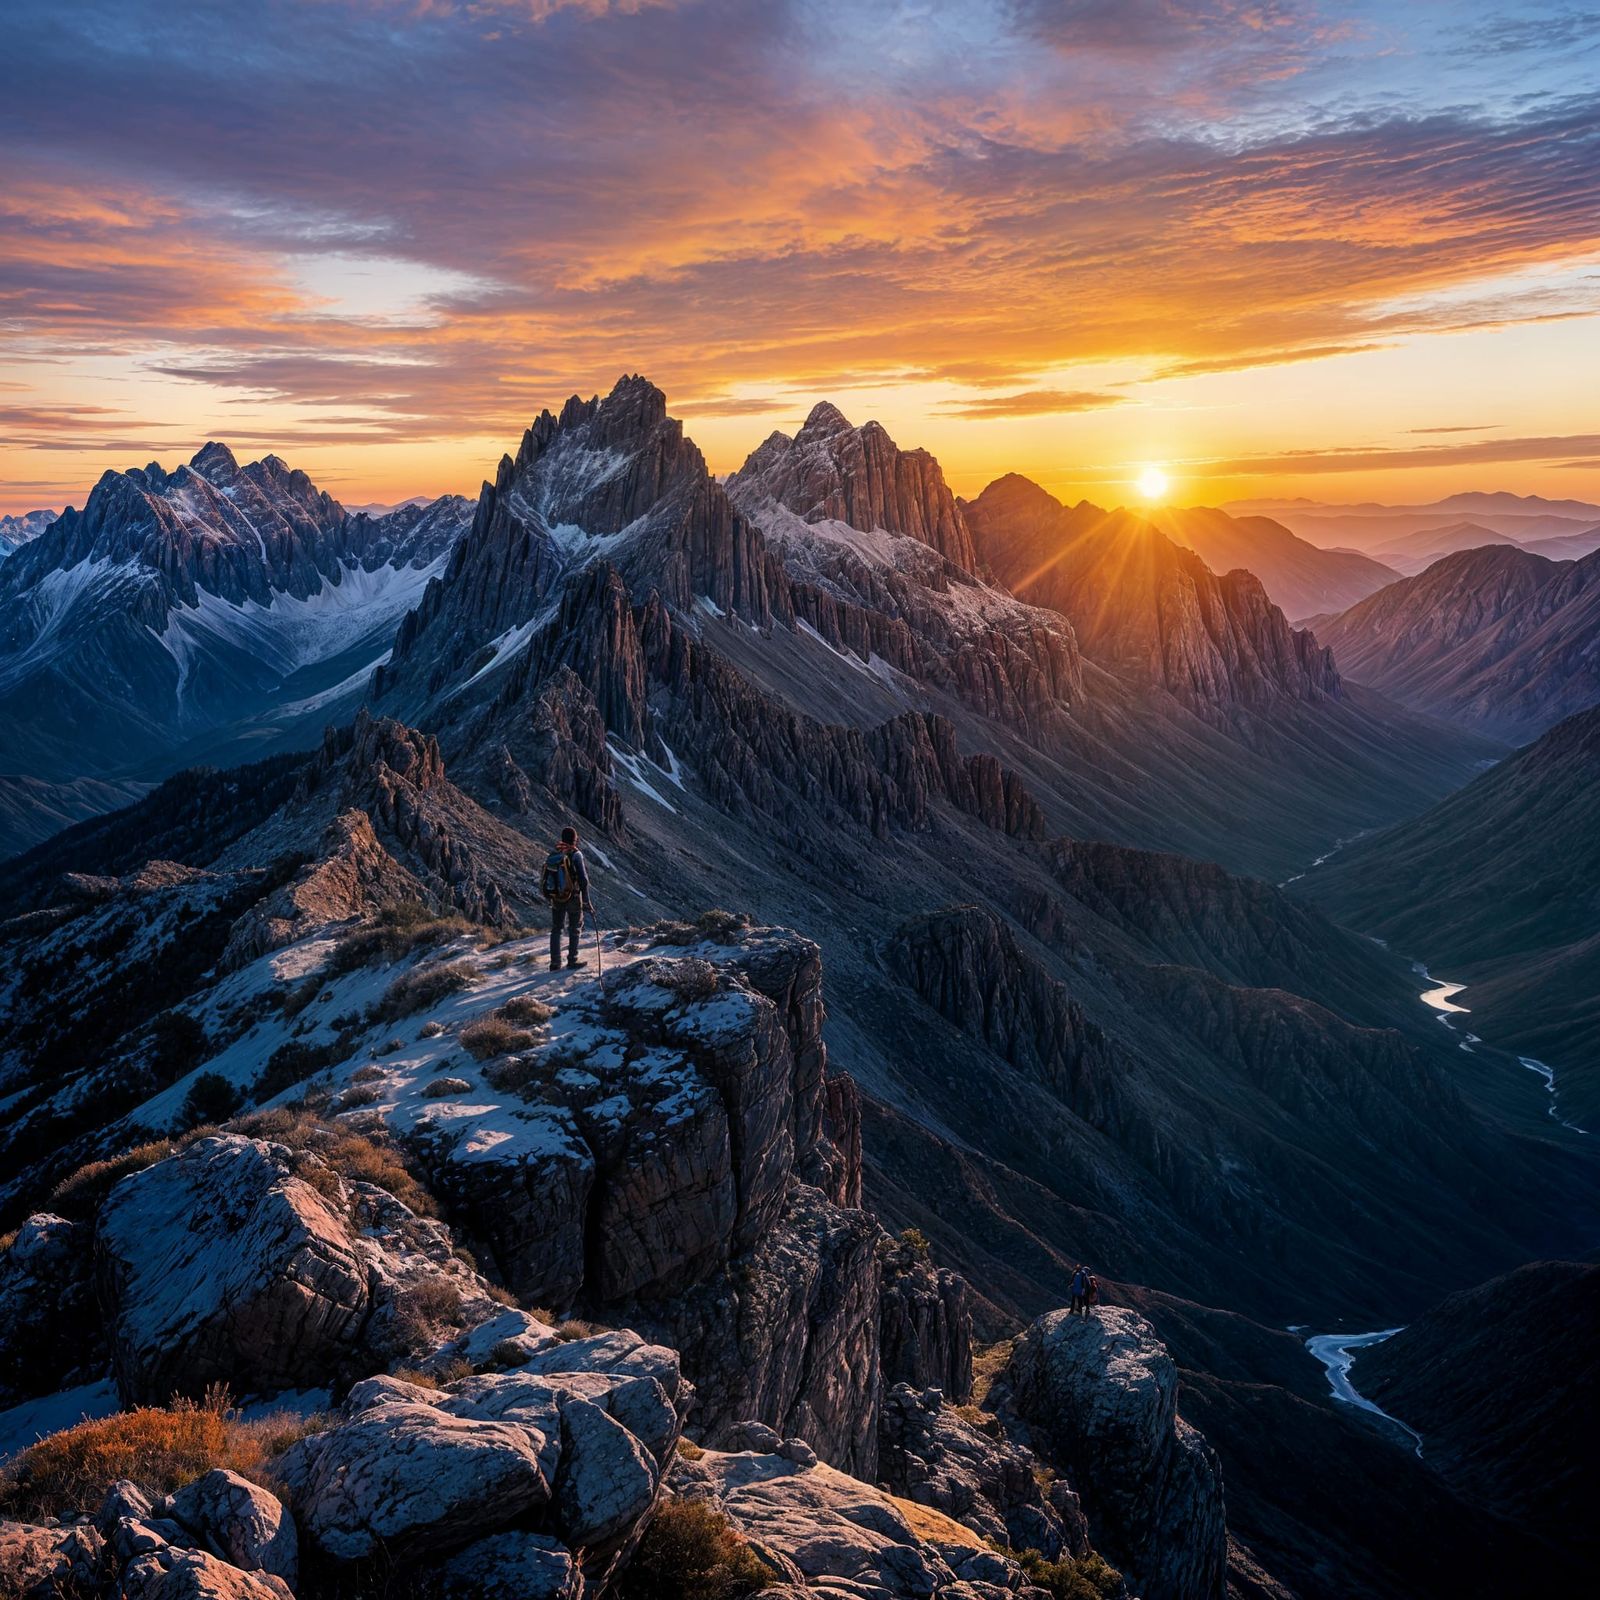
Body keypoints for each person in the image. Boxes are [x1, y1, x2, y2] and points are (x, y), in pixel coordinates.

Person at [543, 826, 594, 972]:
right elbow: (583, 880)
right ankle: (572, 960)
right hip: (573, 897)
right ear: (574, 839)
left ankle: (555, 963)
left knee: (556, 929)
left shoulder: (555, 853)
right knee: (574, 928)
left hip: (557, 897)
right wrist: (586, 901)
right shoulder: (576, 854)